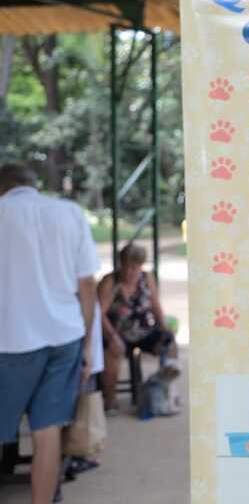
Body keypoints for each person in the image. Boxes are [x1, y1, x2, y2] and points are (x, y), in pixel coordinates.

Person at [0, 162, 99, 504]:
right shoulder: (69, 213)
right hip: (64, 338)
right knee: (47, 433)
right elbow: (87, 283)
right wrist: (87, 344)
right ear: (34, 186)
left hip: (8, 341)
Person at [98, 243, 177, 412]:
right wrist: (112, 337)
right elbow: (99, 314)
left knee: (169, 344)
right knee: (112, 351)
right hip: (116, 332)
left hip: (142, 331)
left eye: (134, 268)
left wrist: (164, 327)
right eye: (125, 267)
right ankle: (110, 399)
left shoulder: (147, 278)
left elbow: (155, 305)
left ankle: (164, 391)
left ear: (141, 266)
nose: (129, 272)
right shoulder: (110, 281)